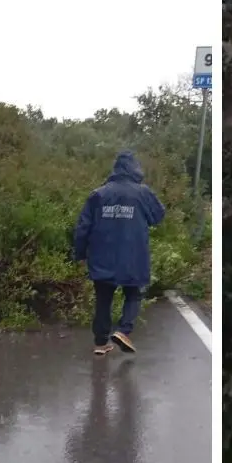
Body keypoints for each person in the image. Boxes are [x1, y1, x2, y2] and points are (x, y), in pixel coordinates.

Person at [73, 150, 166, 355]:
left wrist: (80, 254)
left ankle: (100, 343)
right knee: (134, 293)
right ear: (134, 168)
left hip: (102, 257)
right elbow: (158, 216)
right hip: (133, 256)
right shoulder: (143, 193)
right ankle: (124, 331)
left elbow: (82, 227)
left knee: (103, 300)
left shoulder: (98, 194)